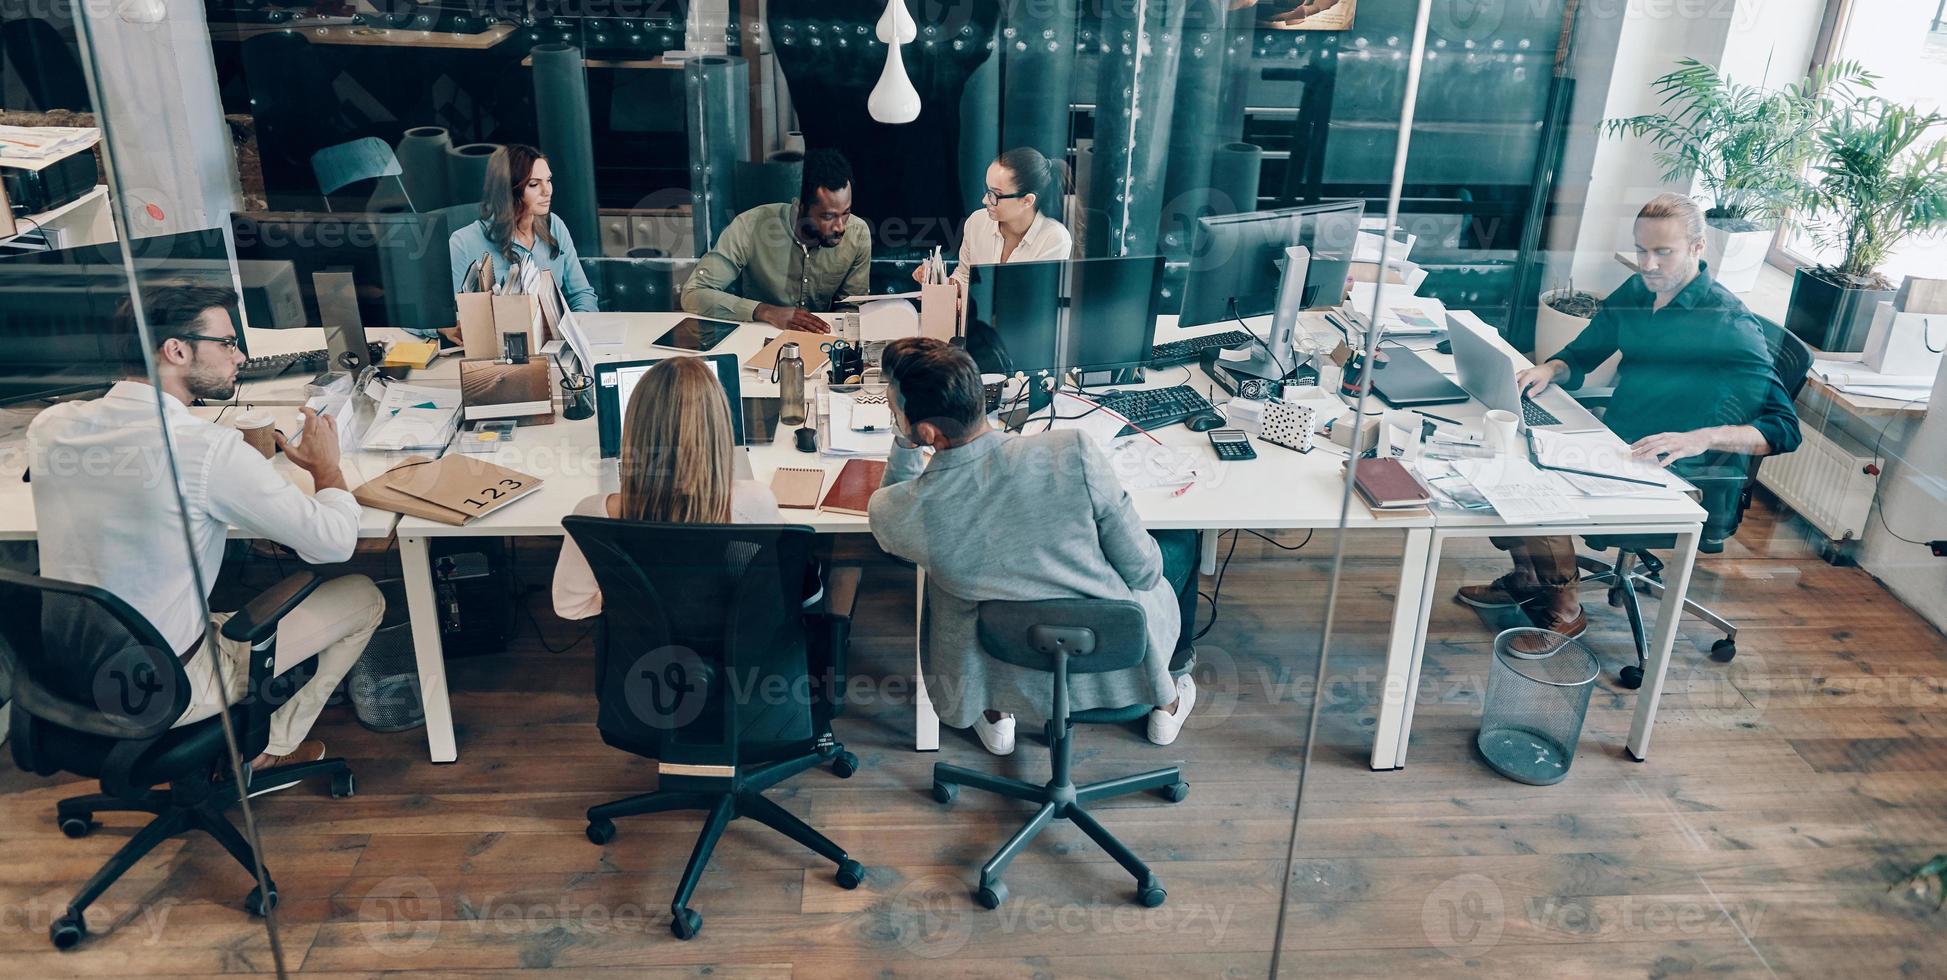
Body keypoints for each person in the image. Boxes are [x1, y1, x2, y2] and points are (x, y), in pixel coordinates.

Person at [27, 284, 384, 781]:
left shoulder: (50, 426)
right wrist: (327, 470)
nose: (239, 357)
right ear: (176, 350)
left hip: (59, 678)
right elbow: (333, 543)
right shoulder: (206, 449)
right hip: (169, 685)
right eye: (228, 343)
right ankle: (267, 751)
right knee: (364, 596)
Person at [1457, 193, 1801, 646]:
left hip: (1678, 468)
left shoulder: (1727, 323)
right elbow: (1583, 352)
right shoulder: (1640, 291)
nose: (1649, 264)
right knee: (1508, 451)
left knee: (1534, 479)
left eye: (1663, 252)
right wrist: (1549, 369)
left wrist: (1700, 438)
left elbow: (1784, 427)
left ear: (1699, 248)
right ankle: (1529, 578)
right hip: (1616, 441)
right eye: (1642, 250)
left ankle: (1565, 608)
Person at [867, 338, 1200, 755]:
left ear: (928, 432)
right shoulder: (1070, 450)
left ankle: (996, 714)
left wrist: (903, 440)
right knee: (1182, 540)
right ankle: (1165, 700)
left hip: (996, 663)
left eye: (895, 412)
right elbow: (1145, 572)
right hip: (1107, 653)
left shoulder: (899, 510)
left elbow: (894, 509)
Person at [552, 356, 783, 619]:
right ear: (720, 430)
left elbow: (569, 606)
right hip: (736, 650)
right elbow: (779, 576)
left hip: (644, 655)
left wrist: (628, 594)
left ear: (633, 430)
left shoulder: (592, 514)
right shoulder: (756, 501)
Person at [681, 148, 869, 334]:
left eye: (846, 213)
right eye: (828, 216)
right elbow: (694, 294)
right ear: (799, 207)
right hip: (757, 336)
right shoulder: (749, 226)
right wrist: (765, 311)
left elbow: (852, 310)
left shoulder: (858, 234)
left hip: (824, 342)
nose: (840, 227)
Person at [440, 144, 599, 340]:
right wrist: (446, 327)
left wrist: (576, 332)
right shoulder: (463, 242)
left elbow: (582, 294)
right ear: (509, 190)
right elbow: (435, 314)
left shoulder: (555, 225)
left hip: (555, 345)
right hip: (498, 353)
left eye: (548, 180)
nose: (547, 191)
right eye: (534, 184)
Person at [919, 146, 1073, 290]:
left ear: (1027, 201)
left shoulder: (1054, 238)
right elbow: (964, 277)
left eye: (994, 194)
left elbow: (1033, 297)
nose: (985, 200)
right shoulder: (976, 222)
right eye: (987, 190)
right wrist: (938, 281)